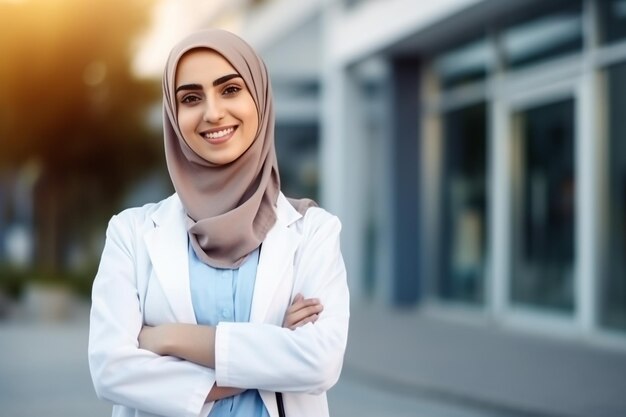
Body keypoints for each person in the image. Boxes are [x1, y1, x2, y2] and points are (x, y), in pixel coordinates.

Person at [88, 29, 350, 417]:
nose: (212, 113)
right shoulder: (131, 234)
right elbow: (111, 371)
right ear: (173, 116)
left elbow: (320, 362)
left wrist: (171, 339)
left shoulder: (314, 231)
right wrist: (273, 347)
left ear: (259, 97)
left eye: (230, 90)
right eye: (191, 98)